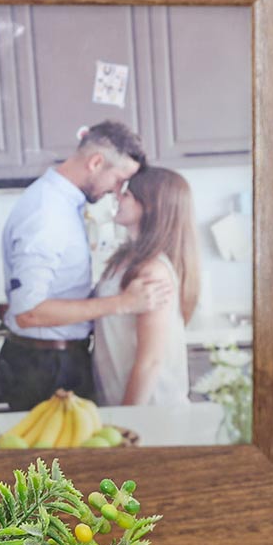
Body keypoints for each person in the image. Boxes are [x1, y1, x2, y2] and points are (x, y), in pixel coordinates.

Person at [0, 122, 172, 413]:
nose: (117, 192)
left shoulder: (63, 204)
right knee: (49, 461)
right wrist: (122, 303)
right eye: (119, 180)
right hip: (44, 368)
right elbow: (29, 312)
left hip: (52, 361)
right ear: (96, 162)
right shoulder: (48, 215)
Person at [90, 166, 200, 408]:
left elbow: (150, 362)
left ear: (149, 205)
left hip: (151, 410)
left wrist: (128, 420)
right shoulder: (124, 260)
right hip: (121, 402)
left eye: (126, 194)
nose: (116, 197)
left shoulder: (152, 270)